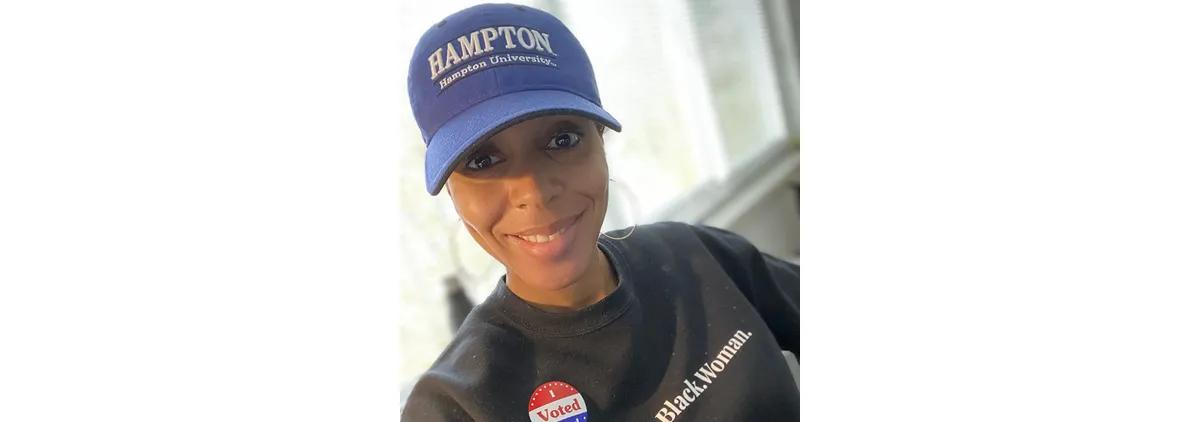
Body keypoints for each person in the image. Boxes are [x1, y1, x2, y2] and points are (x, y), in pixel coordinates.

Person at [402, 4, 799, 421]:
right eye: (482, 161)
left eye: (562, 140)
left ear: (601, 140)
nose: (534, 192)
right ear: (451, 190)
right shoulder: (455, 406)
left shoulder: (701, 259)